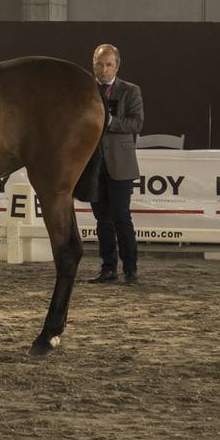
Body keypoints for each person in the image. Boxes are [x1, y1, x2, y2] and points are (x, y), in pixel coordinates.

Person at [87, 44, 143, 284]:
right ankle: (108, 268)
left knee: (122, 217)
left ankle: (130, 269)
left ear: (117, 66)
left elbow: (136, 123)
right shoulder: (86, 90)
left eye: (109, 64)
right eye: (100, 64)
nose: (104, 69)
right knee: (102, 220)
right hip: (93, 164)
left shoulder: (131, 91)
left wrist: (109, 121)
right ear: (94, 65)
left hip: (121, 165)